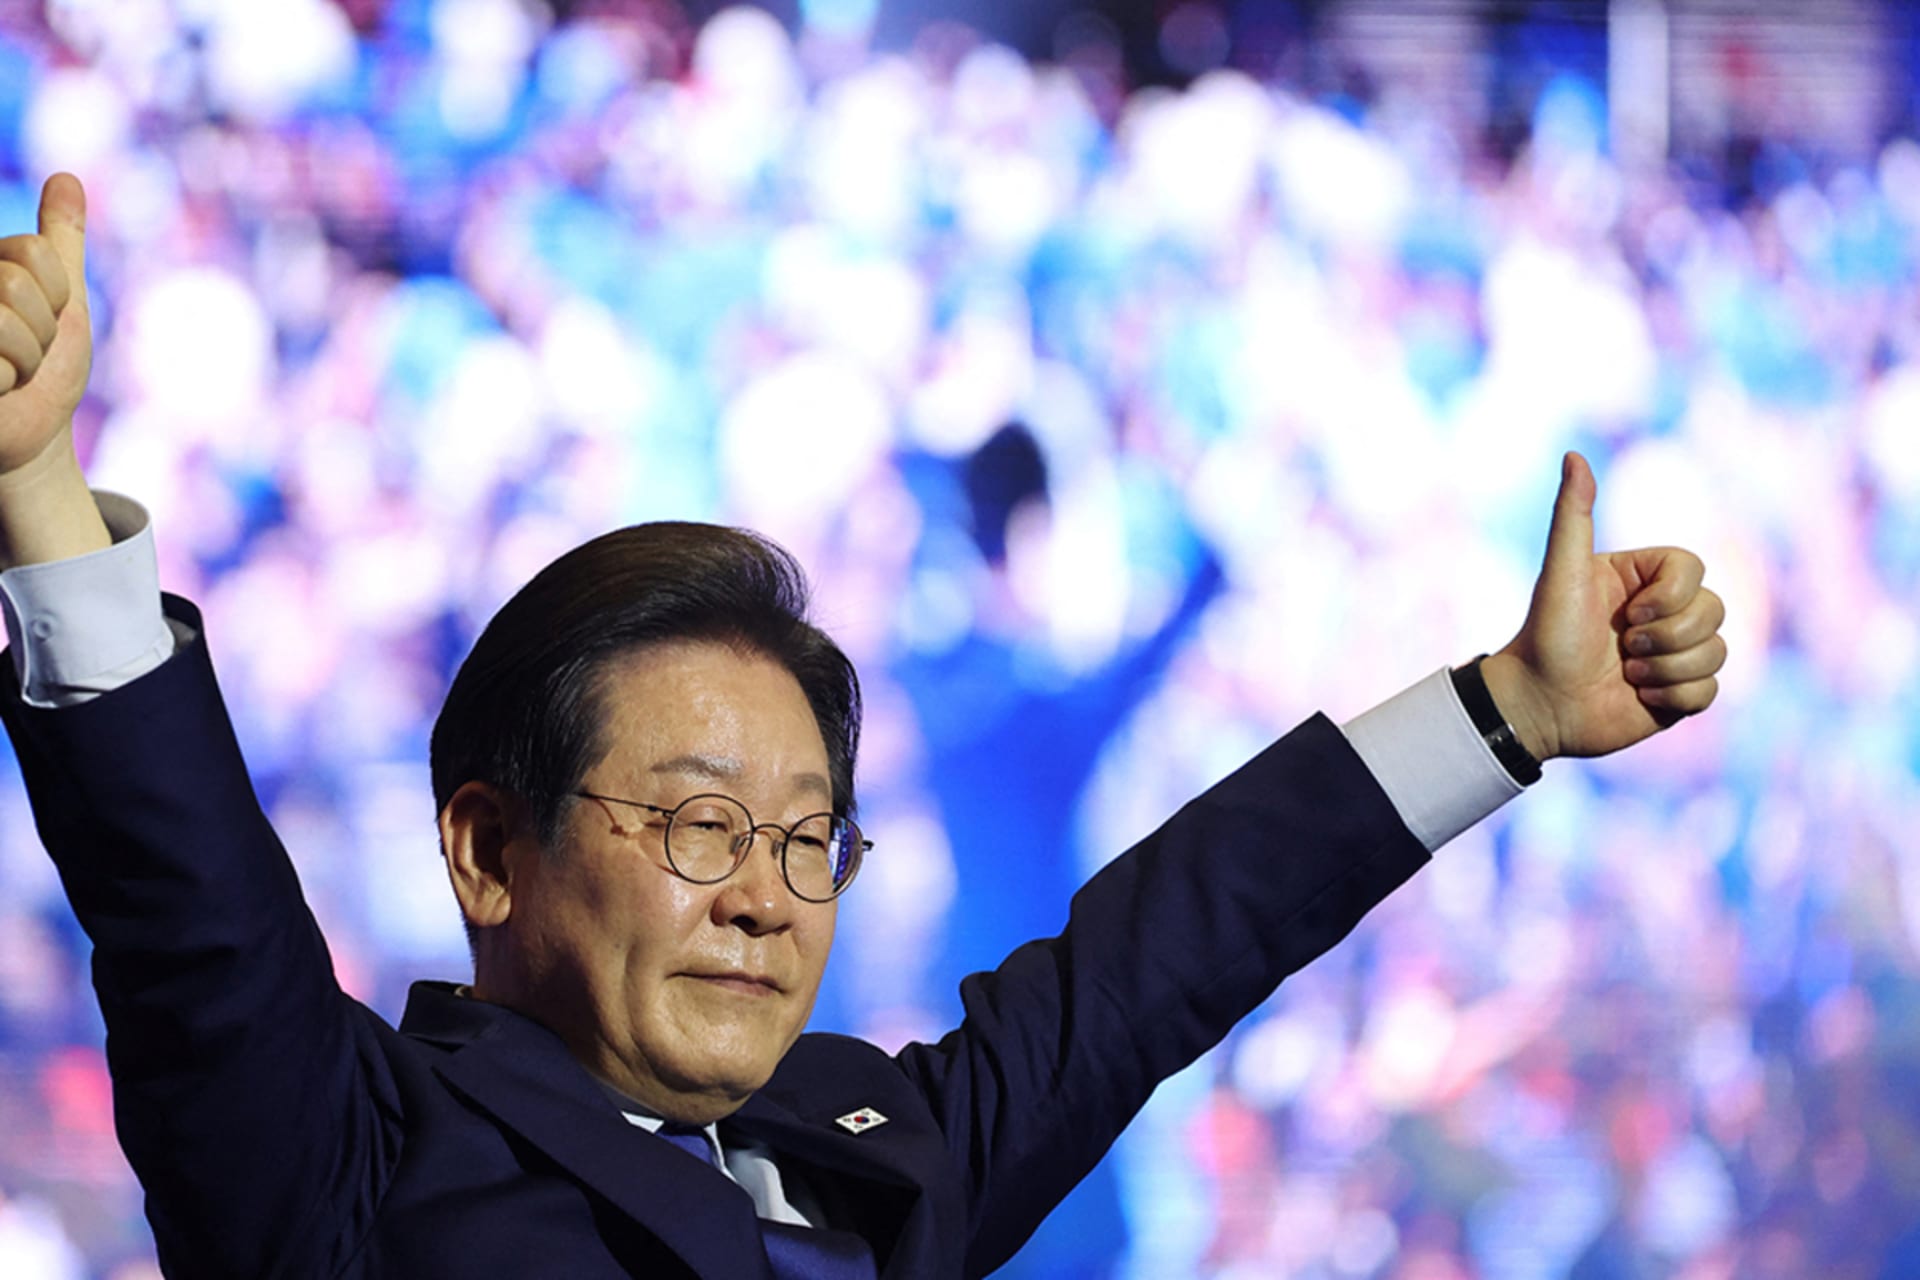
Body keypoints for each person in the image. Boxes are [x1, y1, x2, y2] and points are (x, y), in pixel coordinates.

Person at [0, 174, 1726, 1279]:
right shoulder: (349, 1158)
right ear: (487, 847)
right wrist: (37, 489)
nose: (765, 896)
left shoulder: (877, 1155)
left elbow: (1163, 952)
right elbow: (193, 919)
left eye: (805, 836)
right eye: (694, 822)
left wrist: (1507, 710)